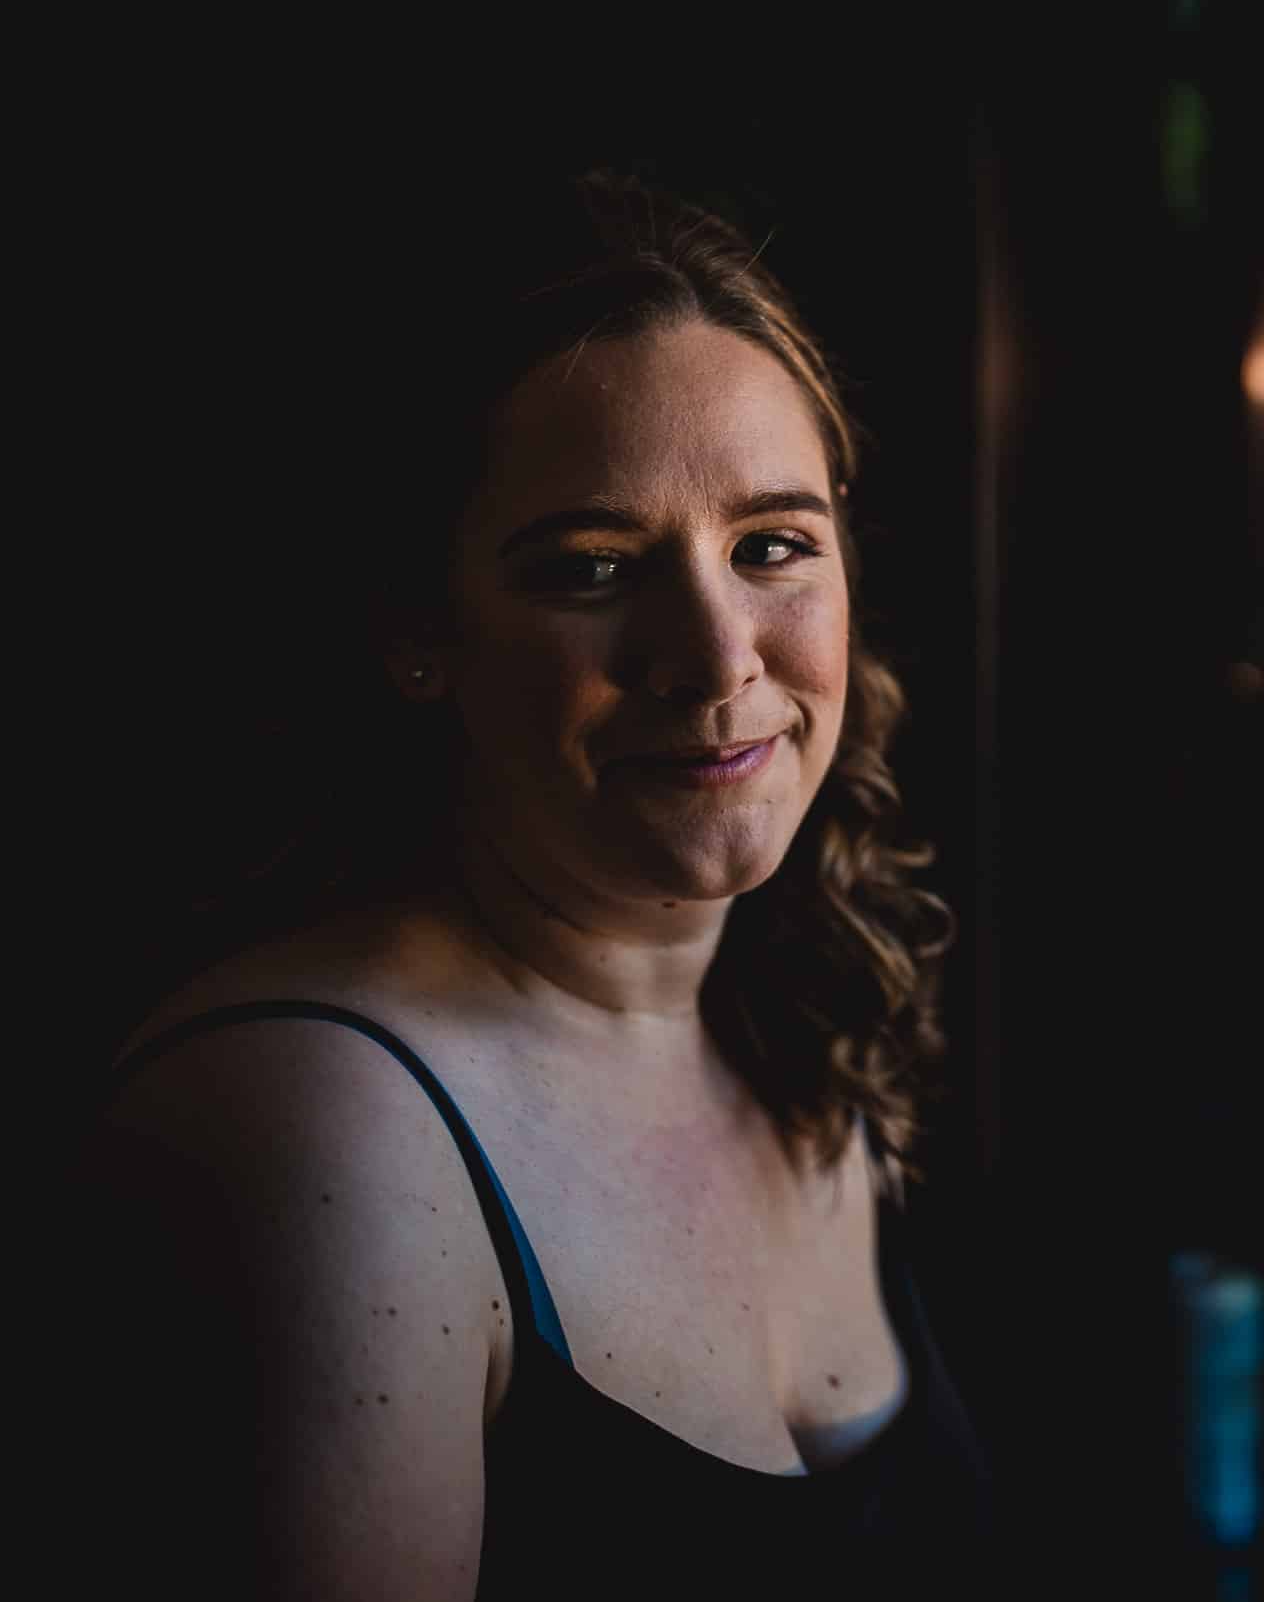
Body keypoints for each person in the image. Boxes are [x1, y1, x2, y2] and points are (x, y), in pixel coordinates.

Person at [71, 170, 996, 1597]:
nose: (716, 653)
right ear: (415, 629)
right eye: (593, 568)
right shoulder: (327, 1131)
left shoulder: (798, 1025)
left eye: (771, 547)